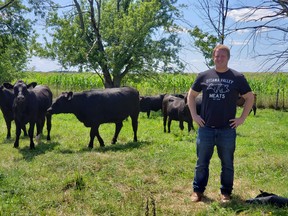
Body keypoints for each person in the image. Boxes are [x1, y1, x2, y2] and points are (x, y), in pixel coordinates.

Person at [187, 44, 254, 203]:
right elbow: (191, 96)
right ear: (213, 57)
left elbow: (250, 97)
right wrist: (194, 115)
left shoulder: (237, 77)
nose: (219, 58)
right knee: (201, 163)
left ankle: (226, 193)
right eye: (216, 56)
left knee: (227, 163)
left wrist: (242, 118)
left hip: (227, 130)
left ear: (228, 58)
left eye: (222, 56)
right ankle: (198, 191)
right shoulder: (203, 76)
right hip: (206, 128)